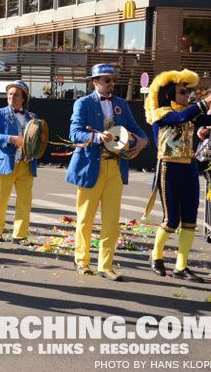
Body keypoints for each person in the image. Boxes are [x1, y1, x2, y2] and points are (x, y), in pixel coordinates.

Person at [66, 64, 148, 281]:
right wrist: (95, 137)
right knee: (85, 218)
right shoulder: (83, 103)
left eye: (112, 80)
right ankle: (82, 261)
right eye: (106, 80)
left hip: (116, 167)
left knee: (112, 220)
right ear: (95, 82)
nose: (111, 83)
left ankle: (106, 265)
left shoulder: (121, 104)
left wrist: (143, 140)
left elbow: (135, 127)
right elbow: (74, 133)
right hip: (90, 165)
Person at [145, 70, 211, 283]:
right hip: (168, 169)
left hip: (189, 169)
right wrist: (208, 100)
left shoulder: (190, 112)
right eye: (182, 92)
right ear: (170, 94)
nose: (187, 95)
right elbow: (182, 117)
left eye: (188, 92)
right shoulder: (161, 113)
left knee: (190, 220)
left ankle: (182, 266)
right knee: (171, 220)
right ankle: (156, 256)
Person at [0, 80, 38, 244]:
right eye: (9, 94)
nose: (11, 97)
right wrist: (11, 139)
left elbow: (38, 140)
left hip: (26, 164)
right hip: (3, 163)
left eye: (16, 95)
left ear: (24, 98)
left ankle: (20, 235)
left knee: (24, 201)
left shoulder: (32, 117)